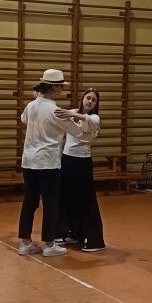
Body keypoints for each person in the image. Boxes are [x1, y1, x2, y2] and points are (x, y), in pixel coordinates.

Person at [17, 69, 89, 257]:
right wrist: (80, 117)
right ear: (53, 87)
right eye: (60, 87)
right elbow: (79, 133)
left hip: (29, 160)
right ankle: (49, 244)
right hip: (47, 162)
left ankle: (25, 243)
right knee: (51, 203)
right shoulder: (55, 110)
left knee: (29, 202)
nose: (62, 90)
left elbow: (23, 119)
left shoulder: (31, 105)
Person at [55, 88, 106, 252]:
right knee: (67, 198)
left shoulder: (94, 118)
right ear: (82, 98)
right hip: (67, 160)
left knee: (86, 200)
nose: (90, 101)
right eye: (88, 98)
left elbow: (87, 120)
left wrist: (71, 114)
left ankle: (95, 241)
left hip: (82, 162)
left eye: (93, 100)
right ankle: (73, 233)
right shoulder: (72, 113)